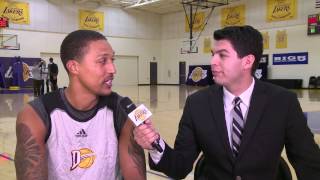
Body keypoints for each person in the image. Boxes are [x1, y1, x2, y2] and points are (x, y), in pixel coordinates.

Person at [133, 25, 320, 180]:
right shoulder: (197, 104)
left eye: (222, 55)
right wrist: (156, 145)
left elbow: (309, 163)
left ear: (247, 62)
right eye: (213, 54)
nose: (213, 61)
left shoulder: (283, 102)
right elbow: (180, 166)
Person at [14, 30, 146, 180]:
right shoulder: (35, 114)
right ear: (74, 67)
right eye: (103, 61)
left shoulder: (123, 110)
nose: (113, 69)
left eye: (112, 60)